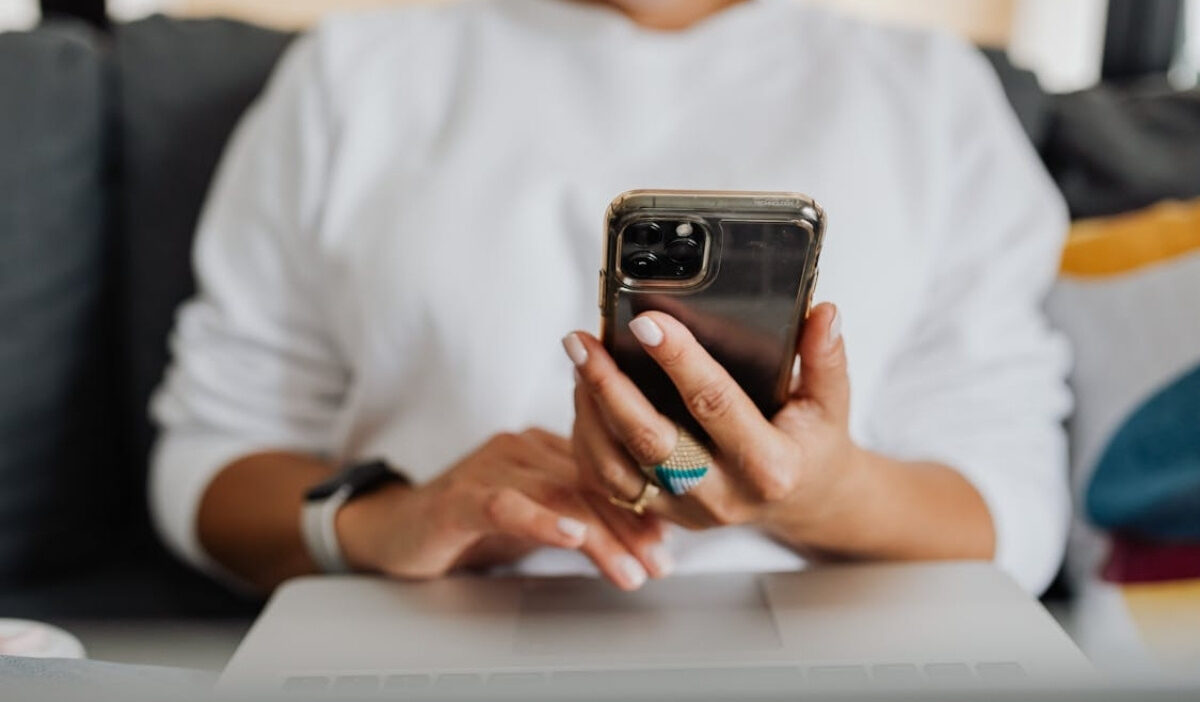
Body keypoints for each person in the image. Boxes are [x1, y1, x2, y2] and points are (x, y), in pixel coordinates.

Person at [150, 0, 1072, 596]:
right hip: (436, 617)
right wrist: (386, 522)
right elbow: (208, 458)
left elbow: (1017, 515)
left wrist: (821, 496)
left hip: (821, 623)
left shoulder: (930, 94)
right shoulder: (355, 75)